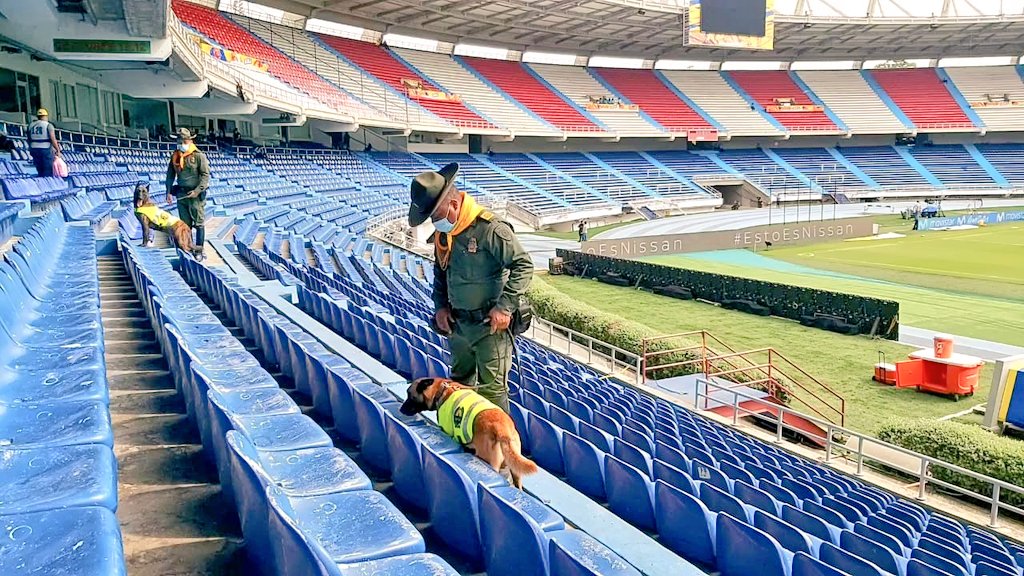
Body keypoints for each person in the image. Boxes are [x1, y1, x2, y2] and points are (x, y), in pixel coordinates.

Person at [408, 162, 533, 417]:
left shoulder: (490, 229)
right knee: (459, 384)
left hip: (490, 327)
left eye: (436, 214)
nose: (435, 221)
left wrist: (504, 307)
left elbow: (523, 264)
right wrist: (440, 306)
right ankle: (465, 442)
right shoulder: (444, 235)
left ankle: (495, 452)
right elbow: (440, 274)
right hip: (458, 326)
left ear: (453, 205)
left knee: (492, 392)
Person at [165, 128, 210, 260]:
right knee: (185, 224)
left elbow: (205, 175)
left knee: (199, 223)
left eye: (183, 140)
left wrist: (197, 191)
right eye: (179, 140)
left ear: (189, 140)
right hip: (182, 194)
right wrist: (168, 191)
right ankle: (188, 246)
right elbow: (170, 174)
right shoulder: (175, 156)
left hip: (195, 196)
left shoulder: (198, 156)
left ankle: (199, 249)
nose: (181, 143)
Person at [133, 182, 193, 252]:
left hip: (177, 226)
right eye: (138, 191)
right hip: (177, 225)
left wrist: (144, 243)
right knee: (184, 248)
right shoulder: (144, 208)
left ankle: (196, 252)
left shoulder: (144, 210)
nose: (140, 194)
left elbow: (145, 228)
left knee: (185, 248)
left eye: (143, 192)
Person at [27, 108, 61, 178]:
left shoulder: (31, 125)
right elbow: (53, 139)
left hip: (34, 148)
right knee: (47, 169)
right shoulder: (48, 125)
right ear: (45, 116)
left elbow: (29, 138)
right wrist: (58, 150)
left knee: (39, 168)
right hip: (45, 149)